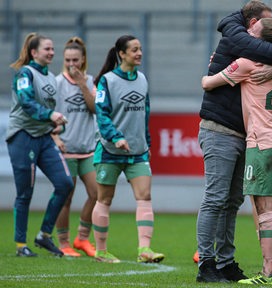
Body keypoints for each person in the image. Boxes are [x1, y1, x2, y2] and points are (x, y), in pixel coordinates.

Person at [196, 0, 272, 283]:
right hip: (220, 130)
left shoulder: (257, 54)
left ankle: (227, 262)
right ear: (251, 22)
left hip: (250, 135)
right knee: (216, 199)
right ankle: (206, 263)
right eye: (263, 21)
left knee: (233, 202)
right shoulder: (240, 42)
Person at [91, 34, 164, 264]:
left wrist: (147, 143)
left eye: (140, 49)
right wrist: (116, 137)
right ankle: (101, 251)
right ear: (121, 53)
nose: (139, 53)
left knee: (145, 197)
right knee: (104, 199)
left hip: (138, 152)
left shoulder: (142, 79)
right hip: (110, 151)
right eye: (134, 50)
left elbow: (145, 114)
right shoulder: (107, 81)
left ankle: (145, 249)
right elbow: (101, 114)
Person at [7, 32, 74, 257]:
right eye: (47, 49)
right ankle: (20, 245)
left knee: (65, 183)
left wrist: (57, 126)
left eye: (53, 49)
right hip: (22, 136)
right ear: (34, 52)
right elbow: (26, 103)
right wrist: (50, 115)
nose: (52, 52)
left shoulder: (51, 78)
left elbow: (49, 114)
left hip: (44, 137)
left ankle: (44, 235)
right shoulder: (25, 74)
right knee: (25, 192)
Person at [52, 36, 98, 257]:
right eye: (68, 60)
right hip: (65, 149)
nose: (72, 64)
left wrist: (82, 84)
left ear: (83, 60)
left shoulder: (89, 82)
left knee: (96, 193)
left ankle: (82, 238)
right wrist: (55, 137)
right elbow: (48, 114)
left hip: (87, 148)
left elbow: (94, 109)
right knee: (66, 197)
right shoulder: (56, 83)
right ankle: (63, 243)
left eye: (76, 60)